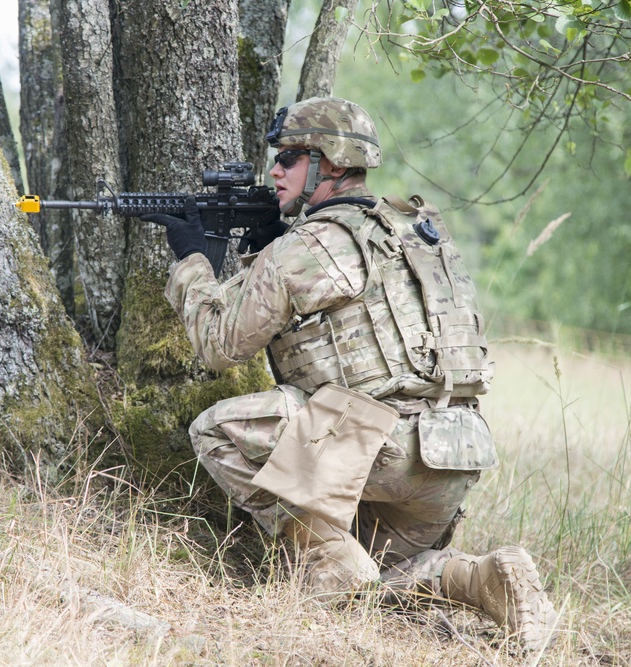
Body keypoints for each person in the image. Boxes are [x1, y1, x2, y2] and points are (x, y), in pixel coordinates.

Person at [142, 97, 556, 649]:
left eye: (289, 158)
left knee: (217, 430)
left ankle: (330, 569)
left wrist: (193, 263)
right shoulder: (414, 229)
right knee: (383, 573)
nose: (275, 170)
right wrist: (269, 249)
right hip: (454, 452)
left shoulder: (313, 241)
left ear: (329, 164)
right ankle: (485, 577)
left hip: (378, 447)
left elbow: (220, 346)